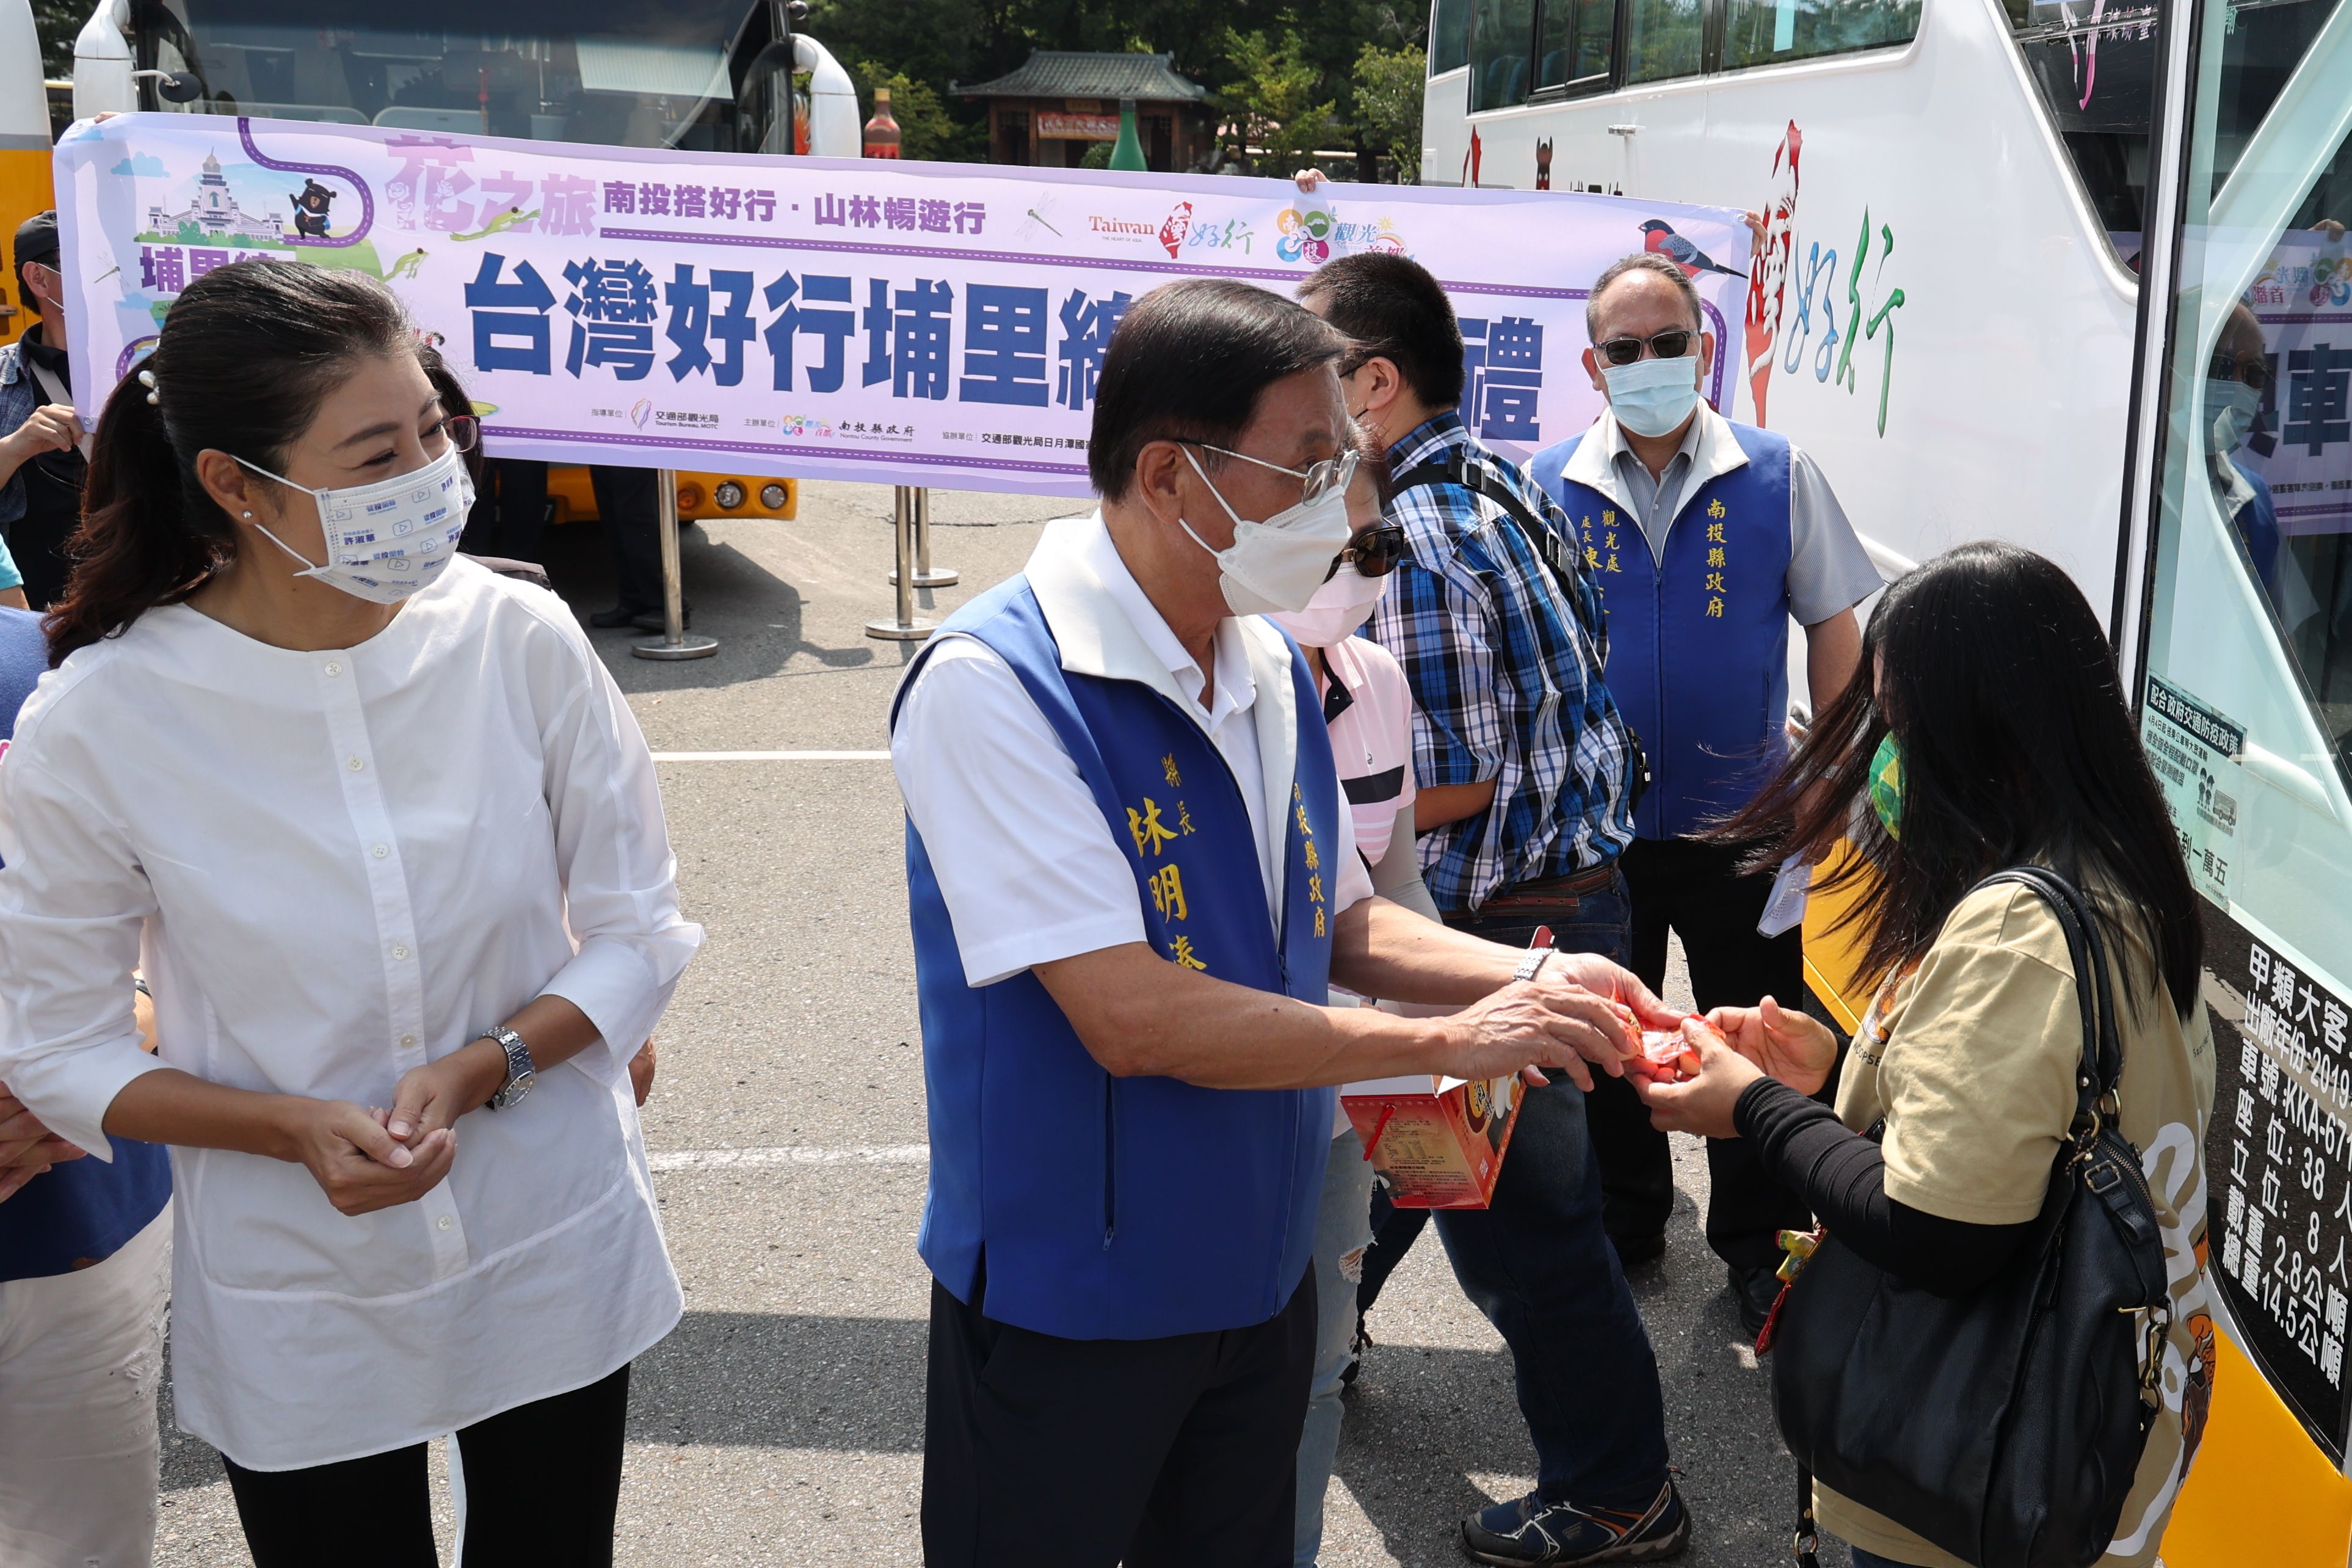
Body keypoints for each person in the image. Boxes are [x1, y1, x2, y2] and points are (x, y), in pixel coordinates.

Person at [890, 275, 1681, 1568]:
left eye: (1345, 465)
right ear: (1170, 477)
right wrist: (1459, 1038)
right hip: (1071, 1306)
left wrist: (1549, 980)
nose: (1339, 507)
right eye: (1306, 470)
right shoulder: (994, 687)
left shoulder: (1260, 661)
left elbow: (1347, 922)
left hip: (1257, 1283)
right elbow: (1131, 1016)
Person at [0, 259, 702, 1566]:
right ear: (234, 483)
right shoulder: (103, 720)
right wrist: (286, 1130)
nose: (434, 476)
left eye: (436, 430)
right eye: (376, 452)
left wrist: (491, 1060)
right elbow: (59, 1046)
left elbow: (638, 931)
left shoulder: (517, 638)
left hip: (545, 1224)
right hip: (297, 1279)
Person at [1633, 542, 2214, 1568]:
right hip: (2094, 1440)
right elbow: (2036, 1110)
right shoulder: (2119, 877)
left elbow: (1939, 1224)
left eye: (1896, 729)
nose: (1881, 764)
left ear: (1983, 738)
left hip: (1969, 1473)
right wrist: (1853, 1065)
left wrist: (1758, 1108)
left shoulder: (2012, 932)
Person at [1298, 251, 1686, 1567]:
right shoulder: (1490, 477)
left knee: (1528, 1241)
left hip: (1506, 933)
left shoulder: (1408, 533)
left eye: (1306, 370)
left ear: (1376, 381)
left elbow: (1449, 775)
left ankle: (1622, 1492)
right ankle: (1325, 1335)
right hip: (1542, 910)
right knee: (1416, 1154)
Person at [1527, 250, 1879, 1329]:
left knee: (1755, 1030)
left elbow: (1831, 621)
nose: (1647, 363)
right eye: (1623, 349)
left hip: (1747, 820)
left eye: (1666, 342)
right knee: (1611, 1033)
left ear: (1702, 348)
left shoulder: (1775, 470)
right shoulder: (1547, 484)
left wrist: (1827, 773)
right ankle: (1629, 1220)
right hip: (1601, 827)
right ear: (1593, 366)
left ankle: (1754, 1240)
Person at [1269, 441, 1440, 1568]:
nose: (1352, 569)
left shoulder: (1377, 683)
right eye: (1326, 546)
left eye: (1372, 546)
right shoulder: (1221, 686)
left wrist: (1454, 1046)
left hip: (1343, 1098)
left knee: (1318, 1368)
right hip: (1231, 1085)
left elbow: (1397, 885)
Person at [0, 601, 175, 1568]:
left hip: (77, 1233)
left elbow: (198, 916)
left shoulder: (64, 669)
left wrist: (136, 1020)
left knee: (84, 1547)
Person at [1, 211, 85, 609]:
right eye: (89, 260)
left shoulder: (147, 369)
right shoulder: (5, 376)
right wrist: (18, 446)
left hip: (148, 609)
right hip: (37, 616)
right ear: (39, 278)